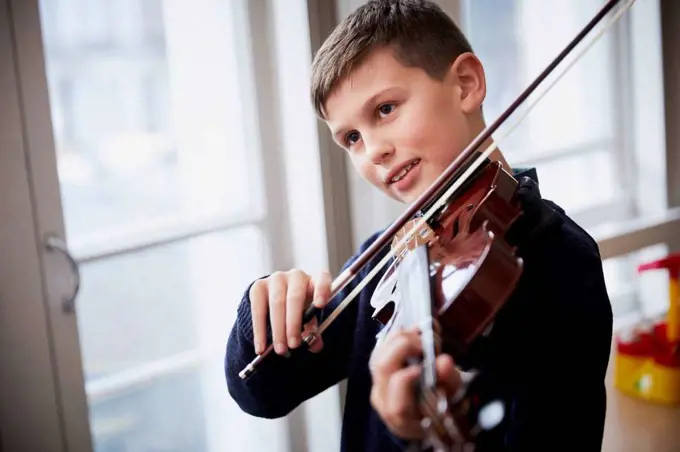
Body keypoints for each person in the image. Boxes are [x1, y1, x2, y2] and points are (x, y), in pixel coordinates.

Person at [225, 0, 613, 450]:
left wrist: (419, 436)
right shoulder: (394, 253)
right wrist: (265, 316)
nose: (373, 151)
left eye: (385, 109)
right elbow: (262, 394)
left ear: (465, 84)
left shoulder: (560, 261)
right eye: (351, 138)